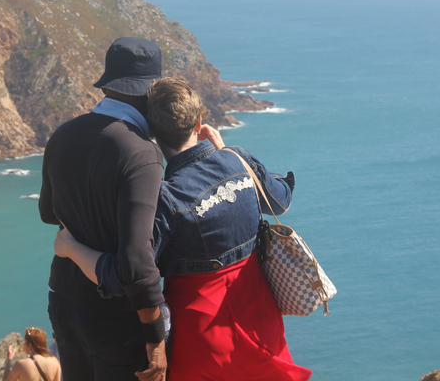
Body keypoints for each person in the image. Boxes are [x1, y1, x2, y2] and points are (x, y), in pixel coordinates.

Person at [54, 78, 312, 381]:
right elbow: (280, 200)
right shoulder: (238, 158)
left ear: (151, 132)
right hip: (259, 321)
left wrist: (71, 248)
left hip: (200, 341)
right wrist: (226, 152)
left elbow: (126, 276)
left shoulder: (166, 199)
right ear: (199, 121)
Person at [39, 37, 167, 381]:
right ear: (151, 92)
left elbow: (48, 214)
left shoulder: (63, 134)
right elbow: (137, 259)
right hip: (116, 319)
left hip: (64, 301)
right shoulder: (142, 153)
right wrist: (156, 340)